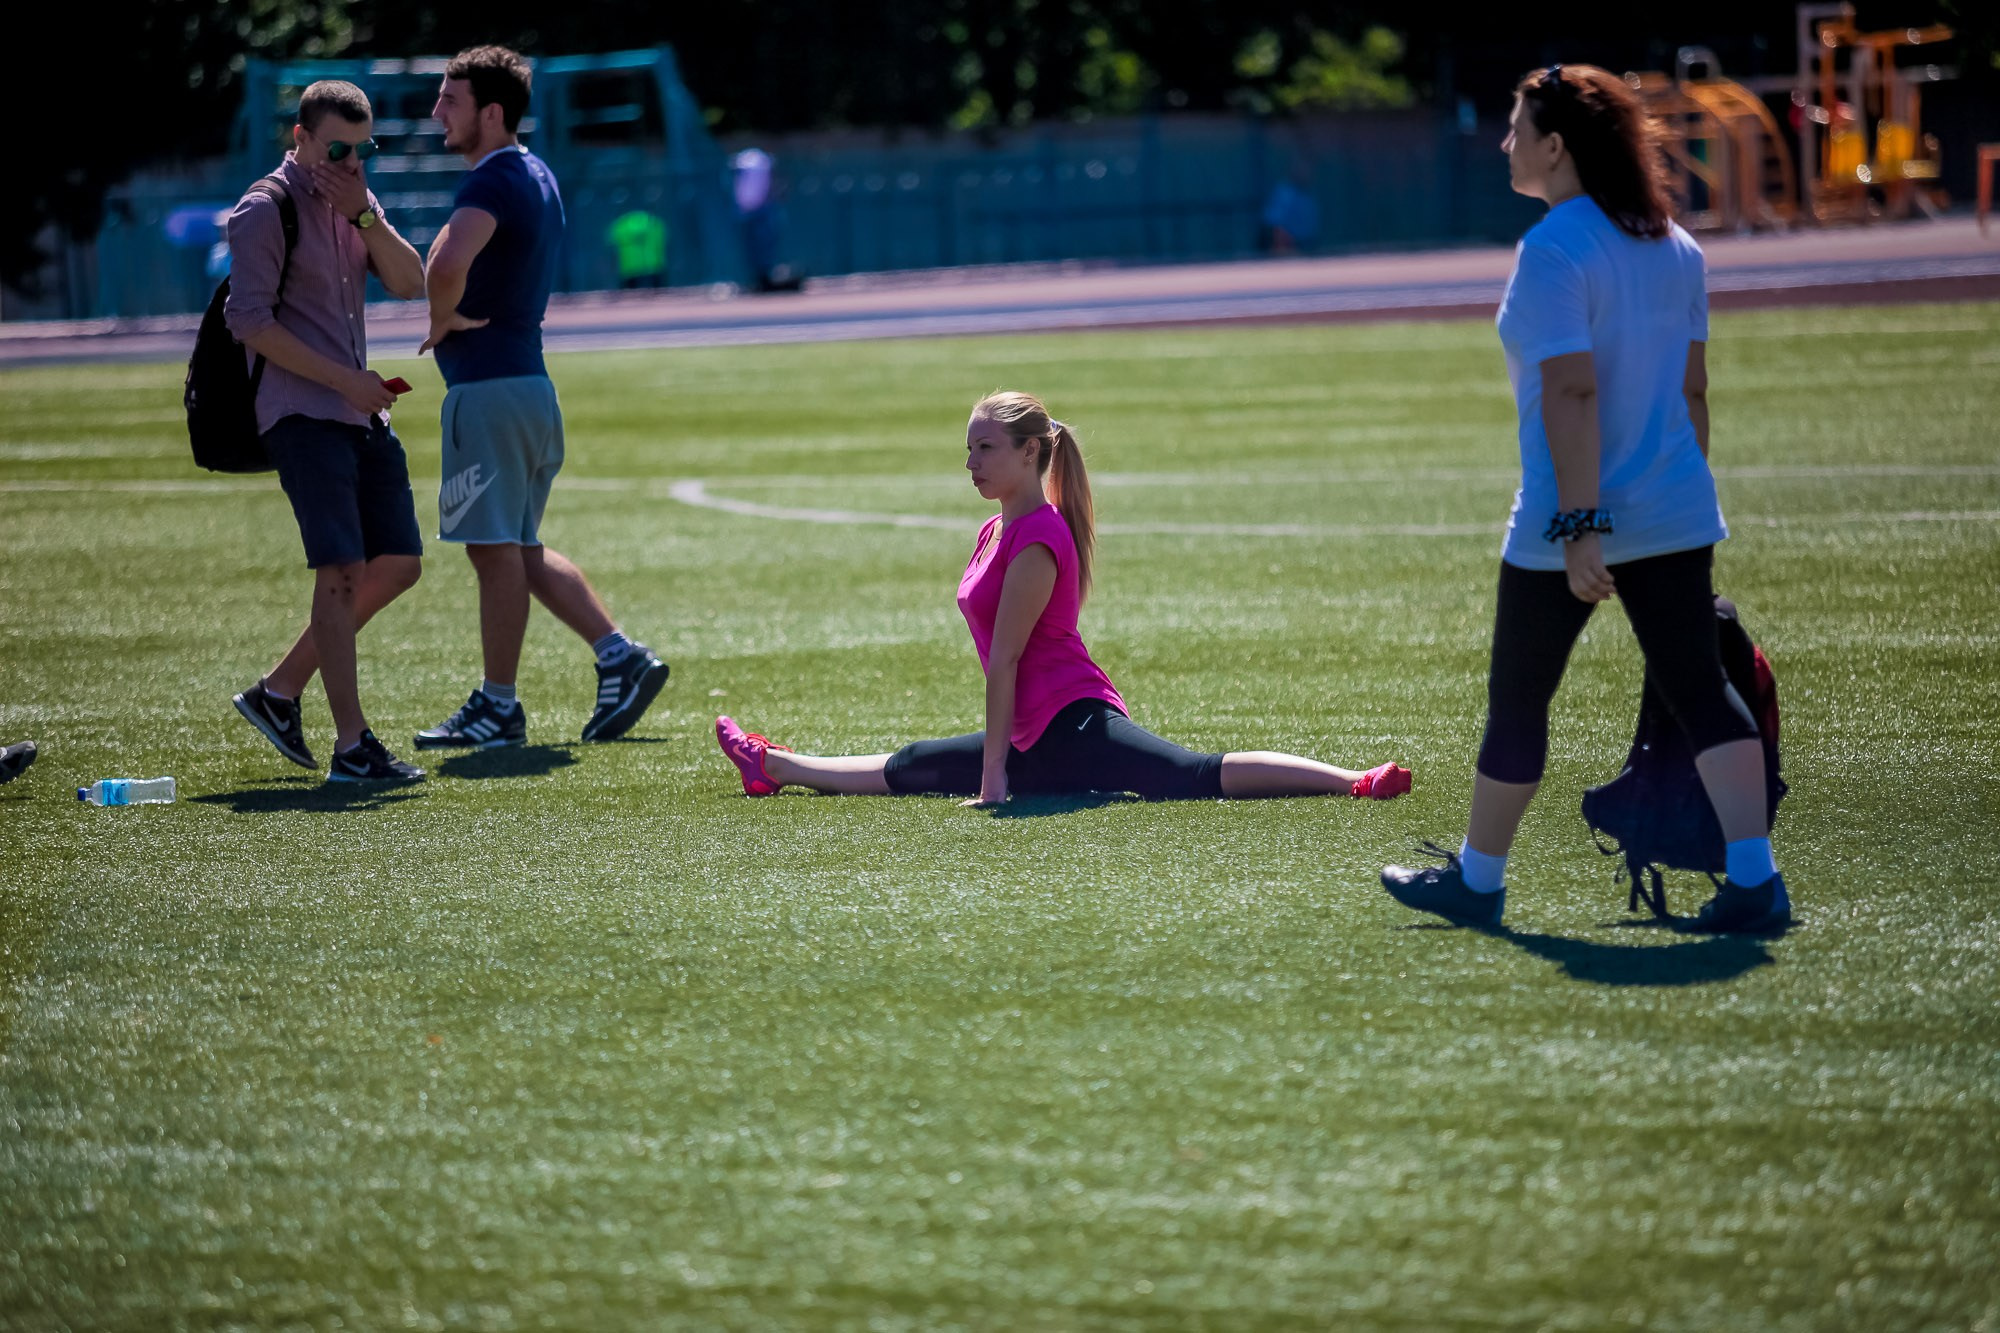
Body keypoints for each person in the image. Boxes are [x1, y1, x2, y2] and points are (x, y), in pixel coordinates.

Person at [1379, 64, 1790, 934]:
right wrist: (1678, 499)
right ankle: (1756, 880)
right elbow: (1695, 393)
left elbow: (1572, 394)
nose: (1506, 143)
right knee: (1701, 686)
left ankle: (1479, 881)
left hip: (1571, 514)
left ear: (1556, 146)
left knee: (1521, 697)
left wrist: (1579, 524)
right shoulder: (1676, 245)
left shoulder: (1556, 248)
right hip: (1674, 505)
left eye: (1518, 126)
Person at [715, 391, 1412, 805]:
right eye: (968, 449)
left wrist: (993, 779)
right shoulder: (996, 527)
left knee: (1186, 775)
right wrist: (998, 759)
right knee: (915, 762)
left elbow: (1007, 661)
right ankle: (770, 764)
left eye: (985, 448)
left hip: (1073, 721)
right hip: (1029, 736)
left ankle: (1353, 779)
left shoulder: (1040, 536)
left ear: (1028, 453)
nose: (970, 463)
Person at [416, 46, 669, 751]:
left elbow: (444, 262)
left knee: (492, 551)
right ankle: (621, 655)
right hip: (528, 385)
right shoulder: (533, 172)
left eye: (451, 101)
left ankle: (498, 705)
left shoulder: (493, 180)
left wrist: (440, 320)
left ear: (490, 113)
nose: (438, 112)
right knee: (519, 548)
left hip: (490, 391)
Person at [225, 79, 429, 783]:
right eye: (337, 148)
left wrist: (365, 216)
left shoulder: (356, 202)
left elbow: (411, 282)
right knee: (340, 570)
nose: (350, 161)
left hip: (357, 409)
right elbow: (248, 322)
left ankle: (278, 691)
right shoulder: (263, 209)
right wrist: (345, 381)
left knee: (399, 561)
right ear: (301, 139)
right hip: (300, 413)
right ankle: (352, 747)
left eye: (363, 149)